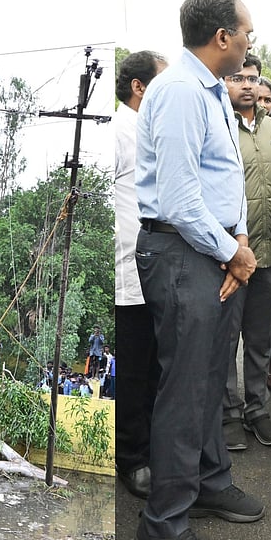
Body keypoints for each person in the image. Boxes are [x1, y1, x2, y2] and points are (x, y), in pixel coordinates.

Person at [131, 0, 263, 540]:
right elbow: (182, 201)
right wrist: (232, 253)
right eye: (247, 34)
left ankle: (208, 482)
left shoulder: (206, 90)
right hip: (185, 250)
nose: (250, 42)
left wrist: (234, 245)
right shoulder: (182, 91)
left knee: (209, 379)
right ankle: (161, 527)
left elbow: (208, 188)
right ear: (222, 38)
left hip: (209, 250)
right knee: (184, 391)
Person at [220, 53, 271, 450]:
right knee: (228, 337)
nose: (246, 84)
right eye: (237, 77)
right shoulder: (217, 126)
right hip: (230, 253)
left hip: (270, 252)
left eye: (252, 78)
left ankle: (256, 410)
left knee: (262, 337)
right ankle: (228, 412)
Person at [113, 49, 166, 499]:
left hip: (155, 270)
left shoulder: (147, 132)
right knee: (132, 372)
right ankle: (132, 458)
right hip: (127, 275)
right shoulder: (118, 133)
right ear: (139, 87)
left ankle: (150, 448)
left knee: (153, 368)